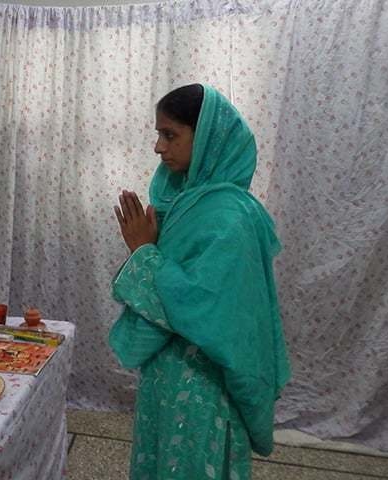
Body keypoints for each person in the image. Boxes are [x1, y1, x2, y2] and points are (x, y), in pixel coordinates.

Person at [110, 84, 291, 479]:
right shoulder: (183, 201)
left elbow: (200, 304)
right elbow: (170, 284)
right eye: (158, 134)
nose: (158, 147)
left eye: (170, 135)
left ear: (208, 137)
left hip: (203, 384)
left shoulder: (230, 217)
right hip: (166, 374)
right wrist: (145, 249)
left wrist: (143, 251)